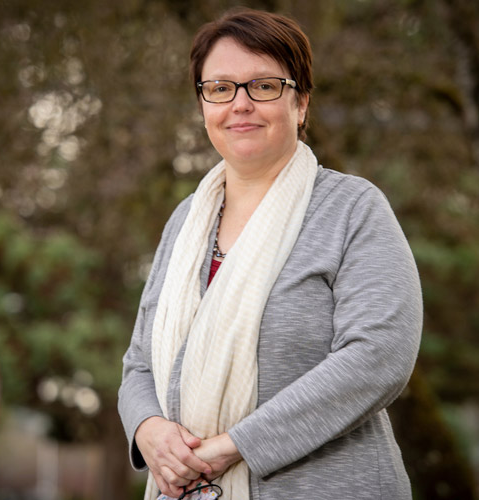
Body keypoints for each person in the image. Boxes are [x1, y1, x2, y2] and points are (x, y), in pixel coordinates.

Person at [118, 8, 423, 500]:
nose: (239, 104)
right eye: (219, 88)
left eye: (263, 86)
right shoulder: (184, 223)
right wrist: (148, 429)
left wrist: (235, 445)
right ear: (204, 104)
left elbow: (379, 357)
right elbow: (139, 364)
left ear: (300, 103)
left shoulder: (351, 209)